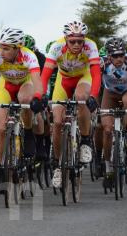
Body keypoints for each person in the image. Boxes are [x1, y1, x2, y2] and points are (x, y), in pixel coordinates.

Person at [0, 27, 45, 185]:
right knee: (0, 127)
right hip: (6, 86)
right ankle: (1, 167)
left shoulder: (29, 56)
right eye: (0, 47)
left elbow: (37, 81)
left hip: (24, 84)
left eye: (6, 48)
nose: (1, 51)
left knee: (25, 98)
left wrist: (37, 97)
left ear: (17, 48)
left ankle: (28, 133)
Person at [41, 20, 100, 187]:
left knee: (82, 97)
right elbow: (45, 75)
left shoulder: (91, 46)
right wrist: (41, 95)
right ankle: (58, 166)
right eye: (72, 41)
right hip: (63, 79)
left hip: (83, 77)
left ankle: (86, 141)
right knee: (58, 122)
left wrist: (94, 96)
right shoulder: (56, 47)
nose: (76, 44)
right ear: (65, 39)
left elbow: (96, 74)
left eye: (80, 41)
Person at [99, 38, 127, 185]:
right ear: (109, 56)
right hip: (110, 94)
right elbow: (95, 83)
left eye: (121, 55)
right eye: (115, 55)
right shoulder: (102, 63)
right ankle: (108, 168)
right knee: (106, 130)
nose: (119, 59)